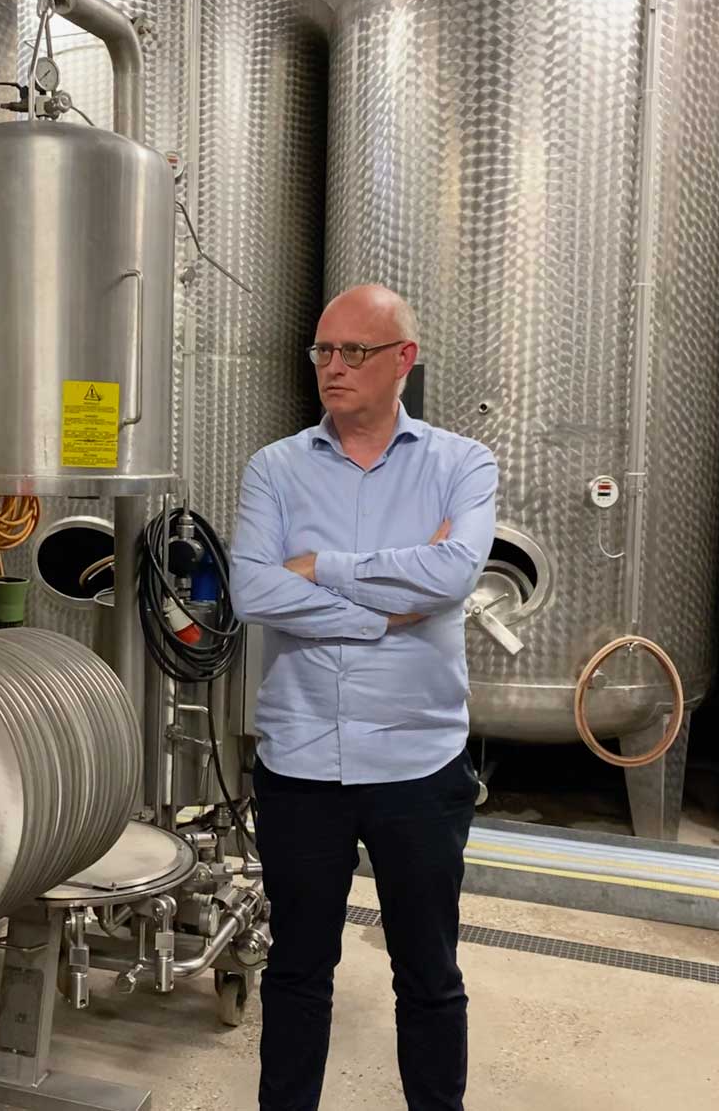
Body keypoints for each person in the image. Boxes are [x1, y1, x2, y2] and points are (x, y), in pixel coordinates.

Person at [230, 284, 498, 1111]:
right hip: (302, 758)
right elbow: (253, 591)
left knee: (429, 973)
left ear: (403, 359)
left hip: (417, 760)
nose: (333, 367)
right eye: (324, 350)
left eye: (354, 351)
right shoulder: (275, 468)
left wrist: (322, 568)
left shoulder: (461, 463)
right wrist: (386, 615)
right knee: (297, 971)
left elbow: (452, 573)